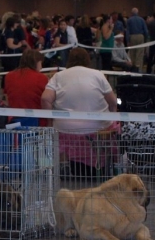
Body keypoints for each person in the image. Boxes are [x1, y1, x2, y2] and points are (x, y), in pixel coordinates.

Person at [41, 47, 119, 177]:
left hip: (65, 127)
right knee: (114, 130)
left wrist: (50, 120)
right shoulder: (98, 74)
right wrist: (112, 117)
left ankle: (63, 163)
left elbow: (45, 98)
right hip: (96, 127)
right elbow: (113, 102)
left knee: (61, 132)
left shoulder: (58, 76)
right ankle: (113, 165)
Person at [3, 49, 48, 127]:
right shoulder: (42, 78)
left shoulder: (8, 76)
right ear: (36, 62)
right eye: (41, 63)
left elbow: (7, 98)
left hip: (14, 120)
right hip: (37, 121)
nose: (41, 66)